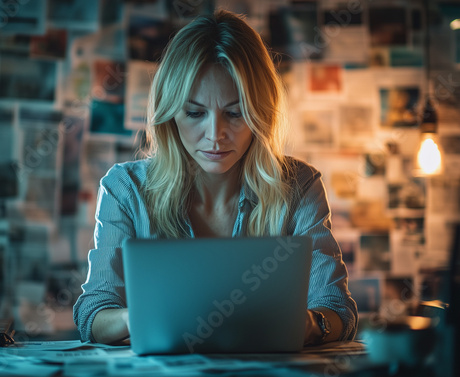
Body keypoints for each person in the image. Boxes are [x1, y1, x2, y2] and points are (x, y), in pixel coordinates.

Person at [73, 9, 358, 346]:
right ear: (170, 114)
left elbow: (337, 308)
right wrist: (145, 316)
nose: (215, 135)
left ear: (260, 114)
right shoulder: (125, 189)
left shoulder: (299, 186)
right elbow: (92, 313)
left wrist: (310, 324)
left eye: (235, 113)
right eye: (195, 113)